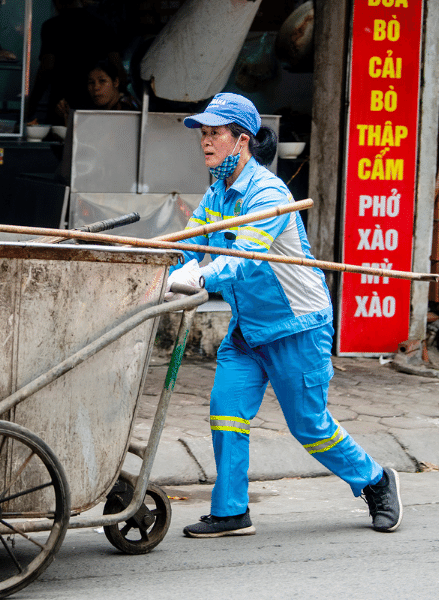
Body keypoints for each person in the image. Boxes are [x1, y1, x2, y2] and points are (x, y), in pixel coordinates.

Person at [166, 93, 403, 538]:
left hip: (297, 327)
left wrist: (198, 279)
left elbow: (244, 258)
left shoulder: (268, 193)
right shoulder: (217, 193)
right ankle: (232, 510)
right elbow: (191, 243)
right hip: (249, 330)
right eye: (203, 133)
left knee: (309, 427)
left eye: (215, 133)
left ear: (242, 141)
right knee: (226, 411)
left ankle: (375, 480)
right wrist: (156, 263)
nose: (206, 142)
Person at [26, 0, 121, 125]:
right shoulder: (102, 24)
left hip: (62, 102)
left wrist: (31, 105)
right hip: (96, 103)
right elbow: (116, 65)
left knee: (61, 140)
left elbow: (47, 67)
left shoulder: (53, 26)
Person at [56, 58, 137, 125]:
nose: (96, 87)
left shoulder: (126, 109)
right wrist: (67, 116)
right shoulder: (97, 109)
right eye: (91, 82)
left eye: (102, 81)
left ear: (115, 82)